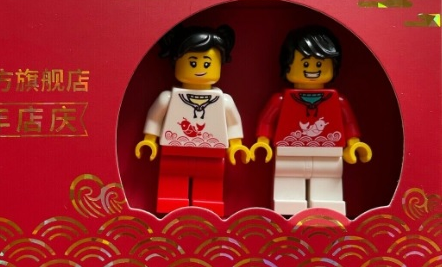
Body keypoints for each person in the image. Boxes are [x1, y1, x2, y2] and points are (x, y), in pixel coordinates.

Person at [249, 26, 372, 216]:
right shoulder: (281, 100)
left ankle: (327, 209)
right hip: (289, 151)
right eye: (305, 63)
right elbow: (267, 121)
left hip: (329, 152)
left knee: (328, 183)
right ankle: (287, 211)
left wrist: (354, 144)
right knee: (288, 183)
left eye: (320, 64)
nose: (312, 69)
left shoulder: (338, 101)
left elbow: (349, 124)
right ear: (287, 65)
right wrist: (262, 142)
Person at [136, 25, 249, 217]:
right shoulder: (168, 98)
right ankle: (170, 209)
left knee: (210, 185)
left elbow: (233, 124)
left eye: (207, 63)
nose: (200, 69)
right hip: (174, 150)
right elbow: (154, 118)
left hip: (213, 152)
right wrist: (149, 140)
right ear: (176, 62)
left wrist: (236, 145)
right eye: (192, 63)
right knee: (172, 182)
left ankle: (208, 212)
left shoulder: (224, 101)